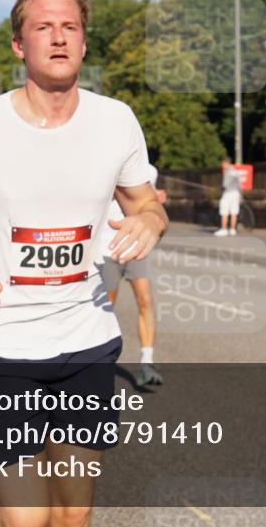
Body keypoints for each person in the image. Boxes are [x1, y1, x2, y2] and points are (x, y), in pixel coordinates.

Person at [0, 0, 167, 527]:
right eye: (43, 27)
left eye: (70, 27)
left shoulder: (115, 120)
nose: (58, 37)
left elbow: (146, 201)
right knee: (27, 519)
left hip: (87, 336)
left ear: (83, 43)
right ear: (18, 45)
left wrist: (149, 219)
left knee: (71, 515)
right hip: (3, 337)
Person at [98, 164, 166, 387]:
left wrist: (155, 206)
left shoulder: (150, 170)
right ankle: (99, 363)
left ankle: (147, 363)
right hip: (108, 246)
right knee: (107, 308)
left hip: (137, 246)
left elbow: (149, 204)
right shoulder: (104, 161)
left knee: (145, 299)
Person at [215, 157, 241, 237]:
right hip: (236, 193)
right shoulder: (235, 171)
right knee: (234, 212)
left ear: (226, 163)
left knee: (224, 211)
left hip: (228, 193)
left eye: (223, 163)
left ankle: (224, 229)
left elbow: (225, 185)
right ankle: (232, 229)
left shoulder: (227, 171)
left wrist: (220, 189)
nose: (222, 165)